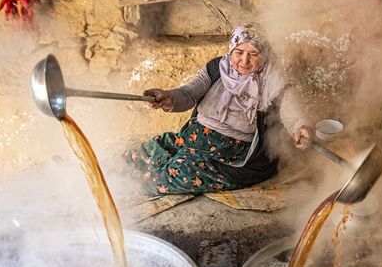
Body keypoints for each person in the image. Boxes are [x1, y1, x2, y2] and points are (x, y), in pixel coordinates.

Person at [125, 25, 314, 195]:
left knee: (177, 172)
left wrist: (300, 126)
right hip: (195, 136)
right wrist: (168, 97)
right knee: (147, 151)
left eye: (253, 54)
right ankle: (111, 176)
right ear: (231, 49)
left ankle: (125, 192)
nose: (244, 61)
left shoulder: (274, 81)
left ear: (264, 54)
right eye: (239, 52)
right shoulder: (218, 68)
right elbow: (189, 93)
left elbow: (293, 112)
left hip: (233, 156)